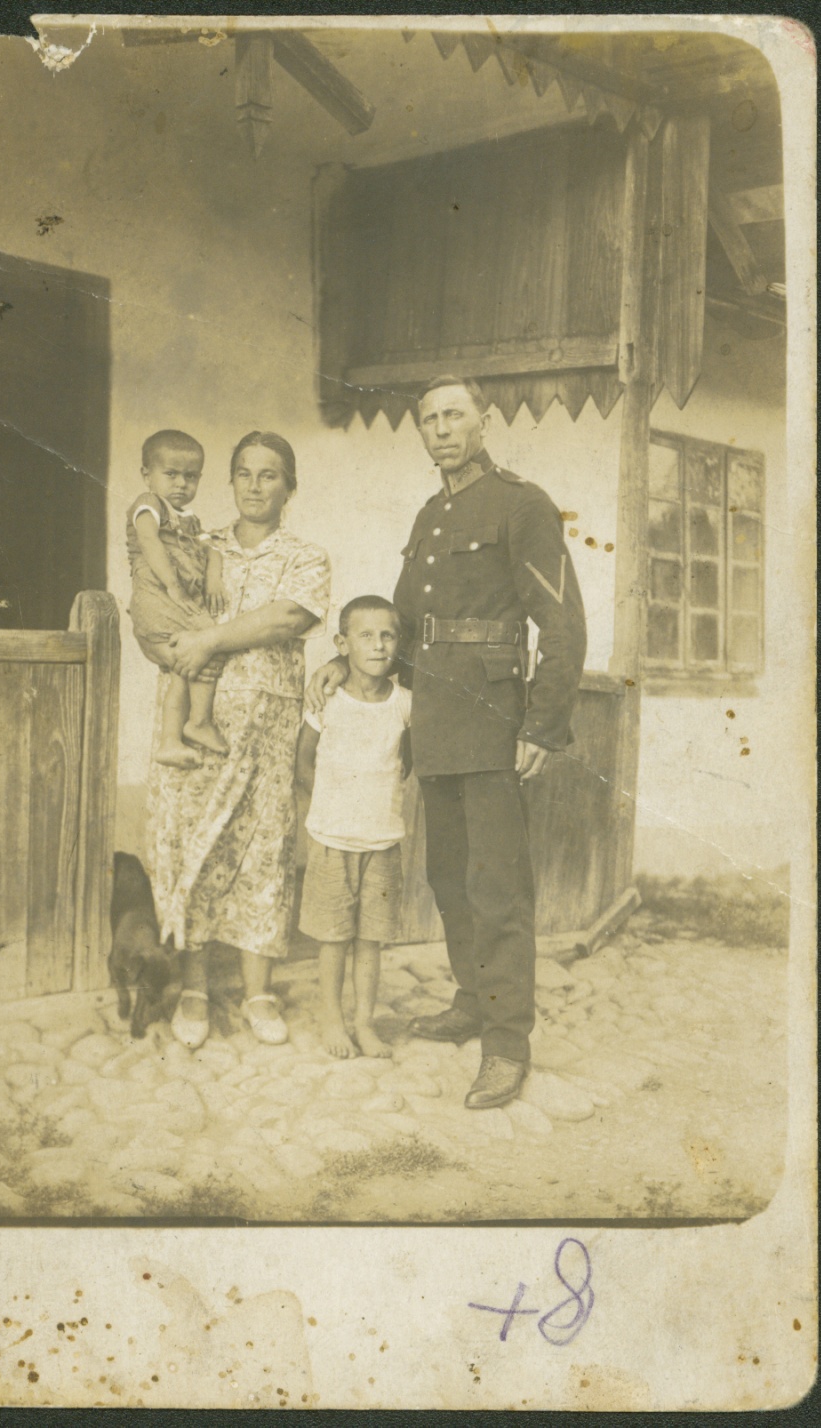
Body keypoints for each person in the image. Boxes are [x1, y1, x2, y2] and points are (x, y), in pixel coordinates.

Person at [307, 376, 586, 1110]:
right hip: (432, 719)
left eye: (454, 414)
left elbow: (562, 624)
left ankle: (506, 1044)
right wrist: (348, 659)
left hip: (493, 719)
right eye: (429, 419)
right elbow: (400, 619)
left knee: (498, 889)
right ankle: (472, 999)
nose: (440, 428)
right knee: (448, 877)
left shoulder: (520, 505)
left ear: (484, 420)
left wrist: (543, 724)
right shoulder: (433, 514)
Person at [148, 431, 330, 1050]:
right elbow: (155, 592)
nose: (255, 486)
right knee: (192, 847)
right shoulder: (197, 543)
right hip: (196, 725)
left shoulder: (306, 556)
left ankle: (257, 992)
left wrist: (209, 640)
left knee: (262, 855)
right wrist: (183, 643)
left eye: (270, 475)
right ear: (230, 482)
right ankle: (194, 989)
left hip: (268, 731)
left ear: (290, 487)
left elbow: (286, 618)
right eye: (245, 474)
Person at [296, 595, 412, 1060]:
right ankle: (332, 1020)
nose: (379, 646)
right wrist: (331, 811)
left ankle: (364, 1022)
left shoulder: (405, 704)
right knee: (334, 938)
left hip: (382, 843)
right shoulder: (328, 701)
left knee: (371, 939)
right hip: (332, 841)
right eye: (366, 636)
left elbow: (405, 764)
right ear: (342, 644)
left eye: (388, 636)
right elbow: (303, 763)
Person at [126, 429, 228, 765]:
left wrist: (213, 579)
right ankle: (198, 722)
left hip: (172, 602)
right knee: (209, 642)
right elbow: (149, 541)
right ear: (147, 475)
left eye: (190, 476)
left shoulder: (191, 520)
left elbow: (213, 547)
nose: (181, 484)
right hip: (158, 599)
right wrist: (171, 583)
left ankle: (171, 740)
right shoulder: (149, 504)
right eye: (170, 474)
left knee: (185, 667)